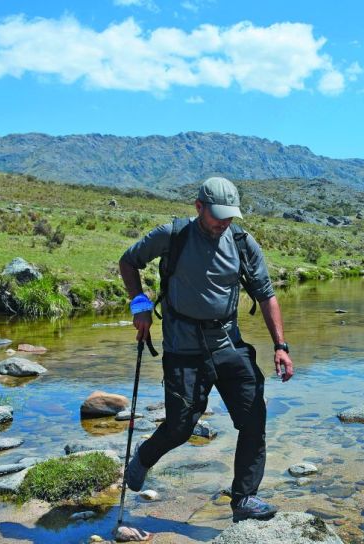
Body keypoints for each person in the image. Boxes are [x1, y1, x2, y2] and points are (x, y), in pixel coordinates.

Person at [118, 176, 293, 523]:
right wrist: (139, 304)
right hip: (183, 348)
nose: (223, 223)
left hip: (228, 343)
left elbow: (266, 295)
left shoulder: (241, 242)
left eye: (229, 217)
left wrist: (281, 346)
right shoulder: (173, 235)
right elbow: (128, 261)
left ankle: (244, 498)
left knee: (254, 416)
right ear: (199, 207)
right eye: (217, 216)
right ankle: (144, 457)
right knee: (180, 427)